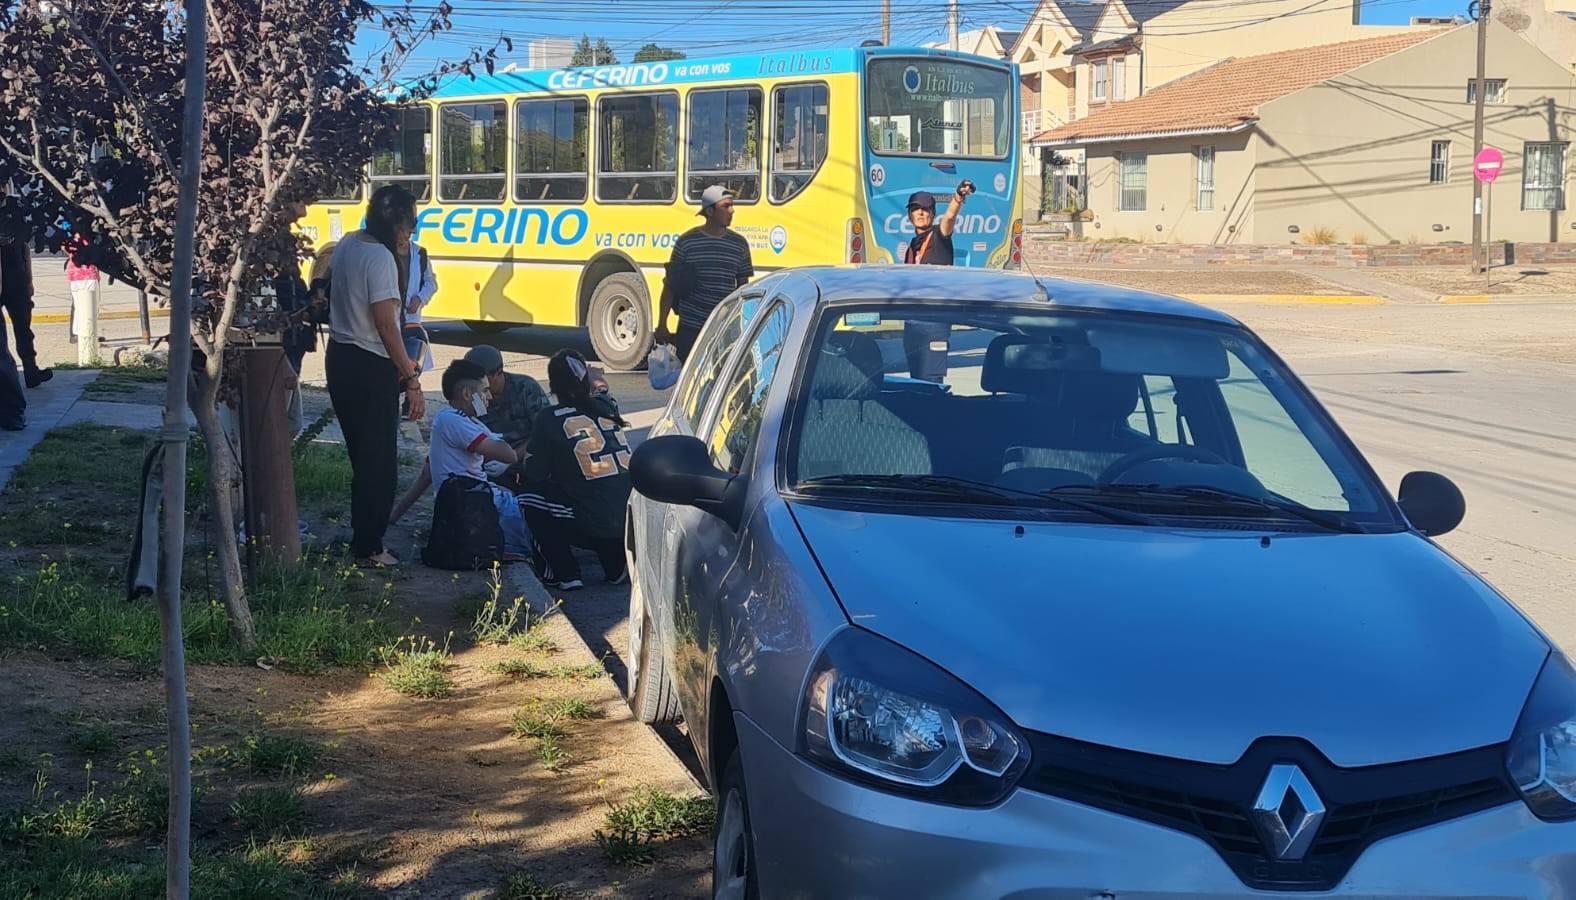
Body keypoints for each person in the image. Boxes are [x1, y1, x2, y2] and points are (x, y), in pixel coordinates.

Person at [324, 184, 427, 568]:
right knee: (378, 463)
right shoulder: (381, 260)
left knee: (361, 457)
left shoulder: (349, 243)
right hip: (370, 364)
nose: (410, 233)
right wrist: (410, 377)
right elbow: (386, 325)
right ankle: (370, 547)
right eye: (409, 224)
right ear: (395, 222)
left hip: (340, 358)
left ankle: (364, 539)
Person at [389, 359, 532, 560]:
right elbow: (508, 455)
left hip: (467, 504)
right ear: (467, 394)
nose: (488, 397)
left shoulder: (447, 419)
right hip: (474, 507)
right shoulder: (456, 422)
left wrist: (393, 518)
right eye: (484, 391)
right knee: (540, 517)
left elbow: (426, 475)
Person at [519, 349, 633, 591]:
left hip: (593, 521)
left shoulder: (549, 418)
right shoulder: (606, 405)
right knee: (597, 495)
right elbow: (602, 390)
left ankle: (564, 573)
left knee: (528, 496)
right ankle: (615, 563)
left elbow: (534, 473)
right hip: (629, 517)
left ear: (552, 385)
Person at [654, 184, 754, 361]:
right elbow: (670, 286)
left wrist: (743, 322)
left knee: (722, 380)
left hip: (724, 326)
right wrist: (662, 324)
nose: (732, 211)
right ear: (709, 212)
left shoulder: (739, 244)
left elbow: (743, 288)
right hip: (691, 327)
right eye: (725, 206)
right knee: (687, 380)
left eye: (732, 206)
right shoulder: (687, 243)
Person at [899, 181, 973, 383]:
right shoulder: (912, 247)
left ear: (932, 213)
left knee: (932, 380)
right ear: (909, 215)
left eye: (926, 209)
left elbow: (949, 218)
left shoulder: (939, 237)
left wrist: (958, 197)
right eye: (916, 209)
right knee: (916, 380)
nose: (921, 213)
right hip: (913, 324)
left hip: (935, 323)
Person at [463, 344, 548, 463]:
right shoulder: (473, 396)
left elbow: (545, 432)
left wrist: (512, 457)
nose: (479, 384)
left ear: (499, 373)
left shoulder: (525, 388)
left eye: (484, 379)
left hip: (528, 456)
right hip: (490, 458)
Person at [0, 232, 51, 388]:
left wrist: (29, 283)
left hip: (18, 284)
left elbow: (25, 253)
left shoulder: (16, 225)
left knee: (24, 330)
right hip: (7, 283)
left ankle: (31, 371)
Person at [396, 233, 437, 375]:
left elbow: (431, 283)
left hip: (411, 322)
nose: (402, 239)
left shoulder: (420, 254)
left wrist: (420, 298)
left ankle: (410, 393)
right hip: (390, 320)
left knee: (412, 367)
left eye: (405, 235)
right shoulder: (384, 253)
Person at [65, 236, 102, 348]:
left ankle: (77, 332)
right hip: (89, 274)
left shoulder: (71, 239)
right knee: (92, 305)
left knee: (77, 306)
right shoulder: (90, 238)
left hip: (74, 275)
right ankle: (89, 331)